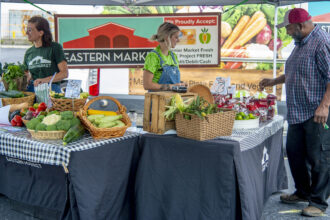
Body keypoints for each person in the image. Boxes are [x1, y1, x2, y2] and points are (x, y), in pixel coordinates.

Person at [259, 8, 330, 217]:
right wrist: (274, 81)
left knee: (319, 159)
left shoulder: (321, 42)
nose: (287, 32)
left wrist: (325, 106)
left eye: (289, 28)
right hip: (298, 111)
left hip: (317, 112)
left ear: (300, 26)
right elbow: (293, 71)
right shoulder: (300, 44)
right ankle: (302, 192)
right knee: (294, 153)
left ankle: (318, 203)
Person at [23, 16, 68, 93]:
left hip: (51, 91)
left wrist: (43, 80)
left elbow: (64, 73)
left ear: (41, 32)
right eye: (27, 30)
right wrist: (27, 78)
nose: (27, 33)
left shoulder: (55, 47)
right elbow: (25, 73)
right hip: (32, 91)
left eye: (30, 30)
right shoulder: (28, 52)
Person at [143, 22, 184, 91]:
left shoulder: (173, 56)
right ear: (166, 37)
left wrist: (180, 84)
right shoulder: (153, 56)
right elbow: (147, 85)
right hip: (157, 100)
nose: (178, 40)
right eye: (176, 37)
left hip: (173, 99)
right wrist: (172, 86)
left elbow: (172, 82)